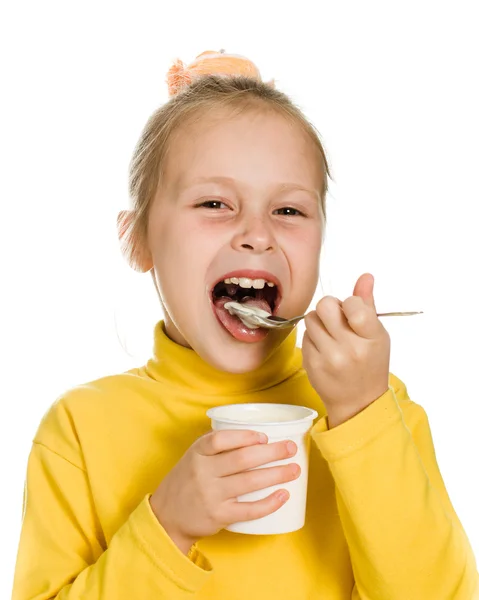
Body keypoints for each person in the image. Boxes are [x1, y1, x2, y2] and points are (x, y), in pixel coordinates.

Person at [12, 50, 478, 600]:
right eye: (214, 203)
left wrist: (361, 419)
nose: (258, 234)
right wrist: (168, 526)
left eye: (289, 211)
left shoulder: (375, 407)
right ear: (137, 240)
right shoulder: (79, 430)